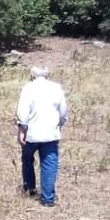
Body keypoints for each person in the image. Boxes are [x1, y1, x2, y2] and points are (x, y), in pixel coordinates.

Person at [16, 65, 68, 206]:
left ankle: (29, 188)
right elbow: (63, 111)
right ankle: (48, 199)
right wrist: (60, 124)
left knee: (27, 159)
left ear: (32, 75)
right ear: (47, 74)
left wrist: (22, 129)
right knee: (49, 164)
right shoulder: (56, 88)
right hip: (50, 133)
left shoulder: (28, 88)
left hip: (31, 133)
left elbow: (23, 111)